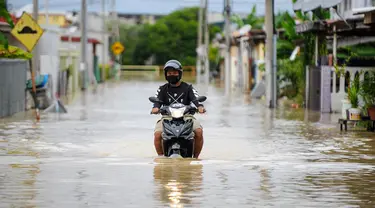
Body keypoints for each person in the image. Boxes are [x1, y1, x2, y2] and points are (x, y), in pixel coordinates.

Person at [151, 60, 205, 158]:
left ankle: (196, 157)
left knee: (199, 131)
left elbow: (196, 98)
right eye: (169, 72)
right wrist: (155, 108)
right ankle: (161, 157)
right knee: (158, 134)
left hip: (186, 117)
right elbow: (157, 102)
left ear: (179, 73)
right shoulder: (162, 89)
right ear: (166, 74)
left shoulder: (188, 87)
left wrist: (200, 107)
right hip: (167, 118)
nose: (172, 74)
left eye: (174, 72)